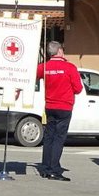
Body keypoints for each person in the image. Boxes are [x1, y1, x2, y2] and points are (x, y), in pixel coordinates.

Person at [36, 41, 83, 182]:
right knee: (58, 139)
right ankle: (54, 169)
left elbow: (31, 76)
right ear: (60, 51)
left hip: (49, 106)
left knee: (48, 137)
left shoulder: (43, 67)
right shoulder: (69, 67)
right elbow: (79, 89)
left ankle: (45, 168)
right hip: (64, 107)